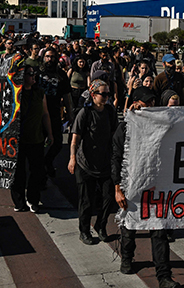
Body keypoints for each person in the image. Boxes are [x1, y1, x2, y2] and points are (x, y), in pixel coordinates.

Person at [113, 87, 180, 288]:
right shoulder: (124, 128)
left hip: (155, 184)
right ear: (135, 103)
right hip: (131, 185)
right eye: (145, 102)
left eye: (152, 102)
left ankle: (164, 276)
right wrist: (117, 188)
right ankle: (127, 257)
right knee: (130, 227)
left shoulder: (160, 125)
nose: (150, 106)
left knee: (158, 229)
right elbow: (116, 158)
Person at [68, 80, 118, 245]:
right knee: (86, 200)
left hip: (104, 163)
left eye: (107, 94)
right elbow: (75, 138)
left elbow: (114, 135)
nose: (105, 97)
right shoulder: (85, 113)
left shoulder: (110, 112)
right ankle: (84, 231)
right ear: (93, 95)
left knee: (109, 197)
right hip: (85, 164)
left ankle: (101, 225)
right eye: (102, 94)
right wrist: (72, 158)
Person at [10, 60, 54, 213]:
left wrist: (50, 133)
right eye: (30, 74)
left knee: (37, 172)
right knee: (18, 173)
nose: (33, 76)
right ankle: (19, 201)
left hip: (36, 139)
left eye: (34, 74)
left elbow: (45, 114)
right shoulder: (14, 94)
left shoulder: (39, 93)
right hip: (18, 140)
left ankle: (33, 200)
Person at [40, 47, 74, 178]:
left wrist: (70, 113)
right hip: (38, 113)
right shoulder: (38, 73)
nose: (50, 59)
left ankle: (47, 162)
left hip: (54, 112)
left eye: (52, 57)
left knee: (58, 143)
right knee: (39, 144)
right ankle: (40, 171)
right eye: (47, 56)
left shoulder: (61, 75)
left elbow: (67, 96)